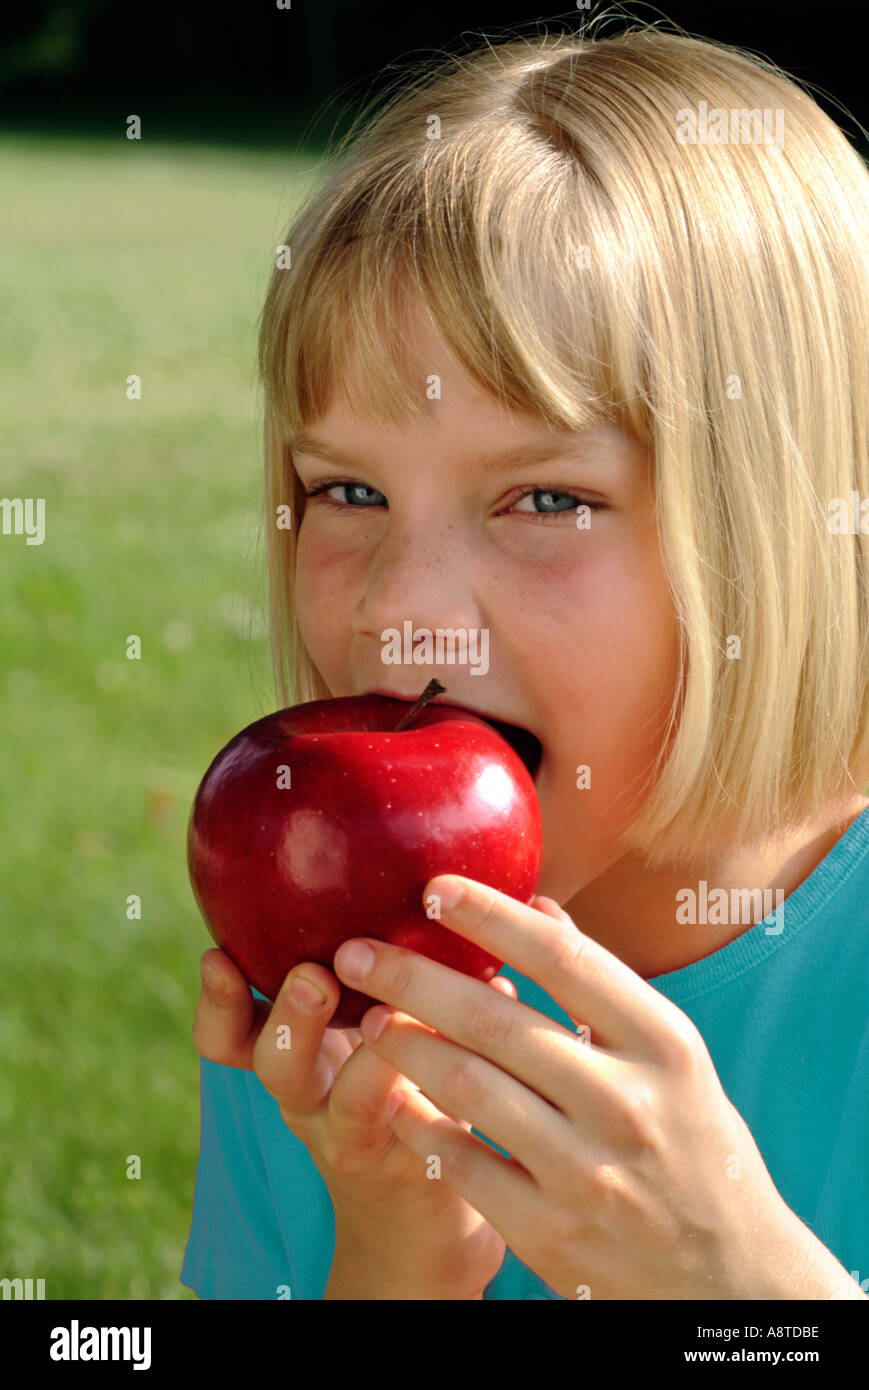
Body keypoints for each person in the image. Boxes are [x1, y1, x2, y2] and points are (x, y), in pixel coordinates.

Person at [180, 18, 869, 1299]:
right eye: (345, 488)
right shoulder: (323, 951)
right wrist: (398, 1249)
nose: (403, 608)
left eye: (544, 500)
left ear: (774, 528)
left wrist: (744, 1288)